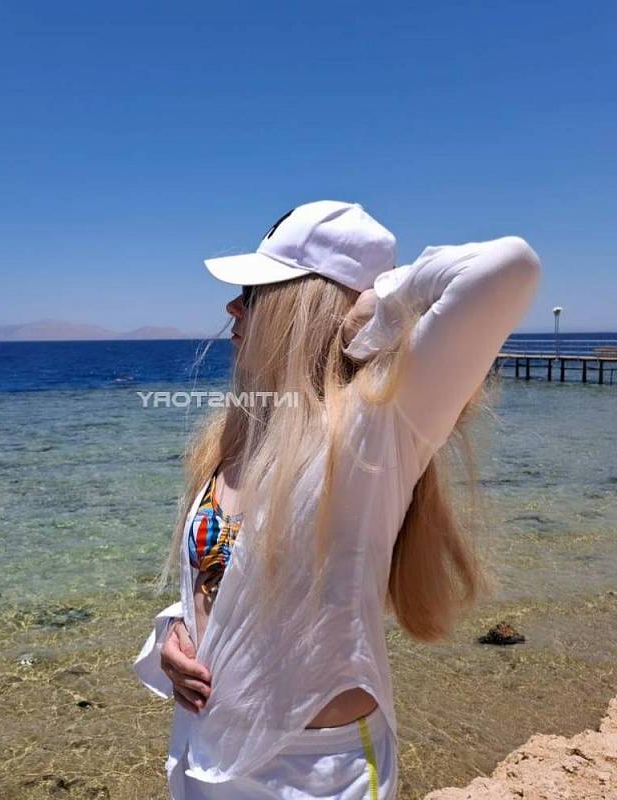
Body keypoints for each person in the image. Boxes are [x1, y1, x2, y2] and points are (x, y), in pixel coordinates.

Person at [133, 200, 542, 799]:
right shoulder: (238, 432)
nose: (232, 308)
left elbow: (509, 267)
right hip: (205, 750)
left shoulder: (381, 423)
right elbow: (230, 573)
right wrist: (173, 635)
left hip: (317, 773)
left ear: (304, 305)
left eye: (252, 292)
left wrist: (376, 307)